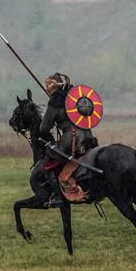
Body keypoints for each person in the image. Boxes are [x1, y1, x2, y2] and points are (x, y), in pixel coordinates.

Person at [39, 72, 97, 206]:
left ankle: (57, 196)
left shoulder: (55, 102)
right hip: (88, 136)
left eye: (47, 87)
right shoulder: (73, 96)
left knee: (48, 162)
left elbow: (44, 128)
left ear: (52, 87)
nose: (46, 90)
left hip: (71, 140)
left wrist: (52, 115)